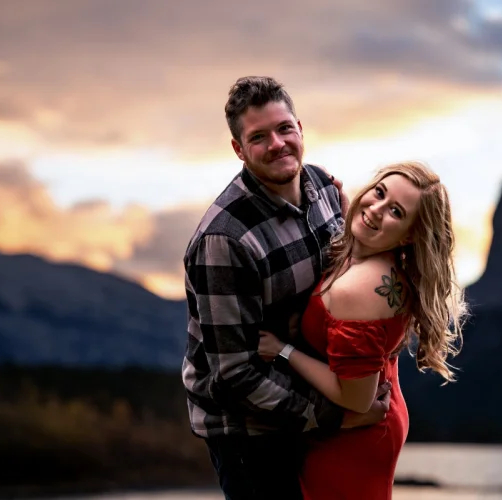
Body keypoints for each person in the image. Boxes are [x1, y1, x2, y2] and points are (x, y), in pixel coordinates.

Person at [181, 76, 390, 500]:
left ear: (300, 128)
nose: (277, 144)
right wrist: (336, 416)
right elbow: (234, 377)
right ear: (239, 150)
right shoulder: (225, 241)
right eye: (259, 137)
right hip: (250, 434)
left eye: (284, 129)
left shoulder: (323, 189)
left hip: (313, 403)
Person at [258, 161, 467, 500]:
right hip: (377, 420)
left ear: (410, 234)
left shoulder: (360, 289)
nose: (376, 209)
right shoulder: (370, 256)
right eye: (379, 193)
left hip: (357, 434)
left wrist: (284, 351)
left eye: (396, 211)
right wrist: (339, 203)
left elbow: (357, 399)